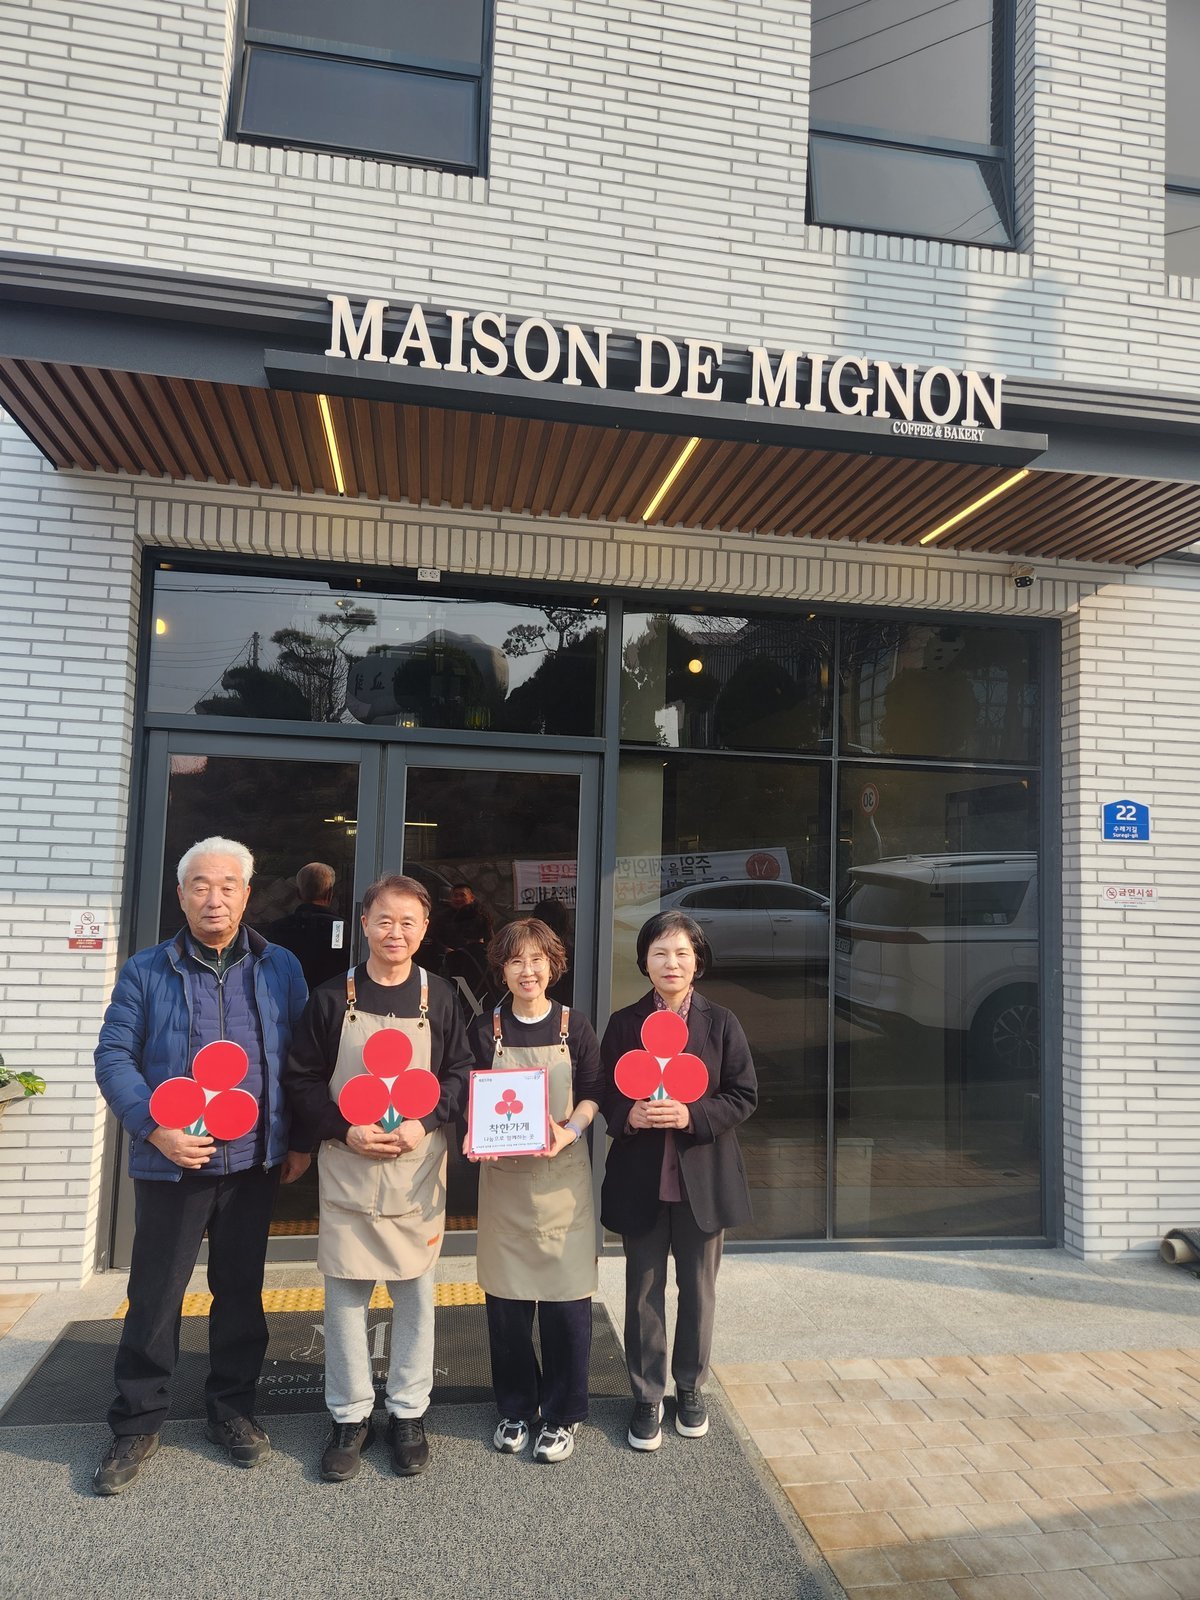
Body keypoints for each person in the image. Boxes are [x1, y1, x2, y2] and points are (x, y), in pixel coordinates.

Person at [92, 837, 310, 1496]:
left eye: (227, 886)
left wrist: (297, 1139)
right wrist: (154, 1129)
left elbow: (301, 1057)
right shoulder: (147, 969)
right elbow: (113, 1055)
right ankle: (137, 1420)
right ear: (181, 895)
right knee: (156, 1294)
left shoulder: (279, 965)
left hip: (252, 1162)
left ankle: (233, 1409)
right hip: (173, 1161)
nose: (214, 898)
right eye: (200, 886)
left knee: (240, 1291)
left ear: (247, 894)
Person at [282, 874, 473, 1483]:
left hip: (416, 1166)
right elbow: (302, 1078)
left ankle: (409, 1412)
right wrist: (343, 1129)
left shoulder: (441, 997)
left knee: (415, 1291)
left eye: (408, 922)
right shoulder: (330, 998)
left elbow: (460, 1073)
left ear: (425, 929)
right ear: (363, 923)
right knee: (344, 1293)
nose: (396, 933)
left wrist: (426, 1122)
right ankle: (350, 1415)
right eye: (385, 920)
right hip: (349, 1163)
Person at [599, 910, 757, 1453]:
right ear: (644, 962)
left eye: (682, 953)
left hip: (702, 1182)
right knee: (643, 1292)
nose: (672, 963)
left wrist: (694, 1115)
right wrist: (628, 1114)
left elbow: (743, 1095)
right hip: (641, 1179)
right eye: (660, 952)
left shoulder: (722, 1022)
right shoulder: (624, 1023)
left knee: (698, 1290)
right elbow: (603, 1091)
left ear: (698, 962)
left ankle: (689, 1387)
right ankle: (646, 1395)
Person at [468, 918, 601, 1465]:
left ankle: (563, 1413)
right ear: (502, 969)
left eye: (537, 959)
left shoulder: (575, 1026)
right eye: (516, 961)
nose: (528, 971)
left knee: (567, 1304)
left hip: (562, 1180)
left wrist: (570, 1131)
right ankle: (516, 1407)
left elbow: (592, 1092)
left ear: (553, 965)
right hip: (504, 1184)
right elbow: (469, 1094)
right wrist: (474, 1135)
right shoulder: (485, 1029)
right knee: (507, 1304)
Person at [265, 861, 345, 989]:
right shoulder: (339, 928)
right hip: (329, 995)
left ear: (298, 893)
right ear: (330, 893)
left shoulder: (277, 928)